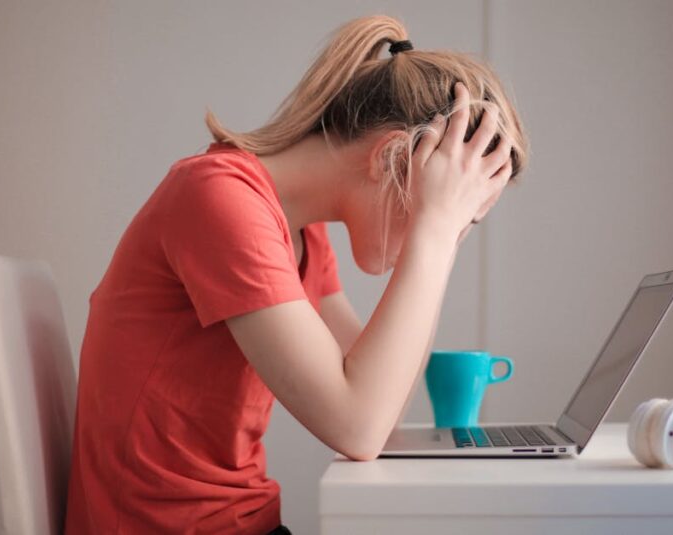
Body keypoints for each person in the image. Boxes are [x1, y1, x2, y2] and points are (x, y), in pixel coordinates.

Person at [65, 14, 528, 535]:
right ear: (390, 159)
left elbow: (385, 405)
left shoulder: (301, 234)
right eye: (455, 209)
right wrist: (436, 232)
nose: (450, 229)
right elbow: (358, 426)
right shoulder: (219, 199)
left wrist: (439, 234)